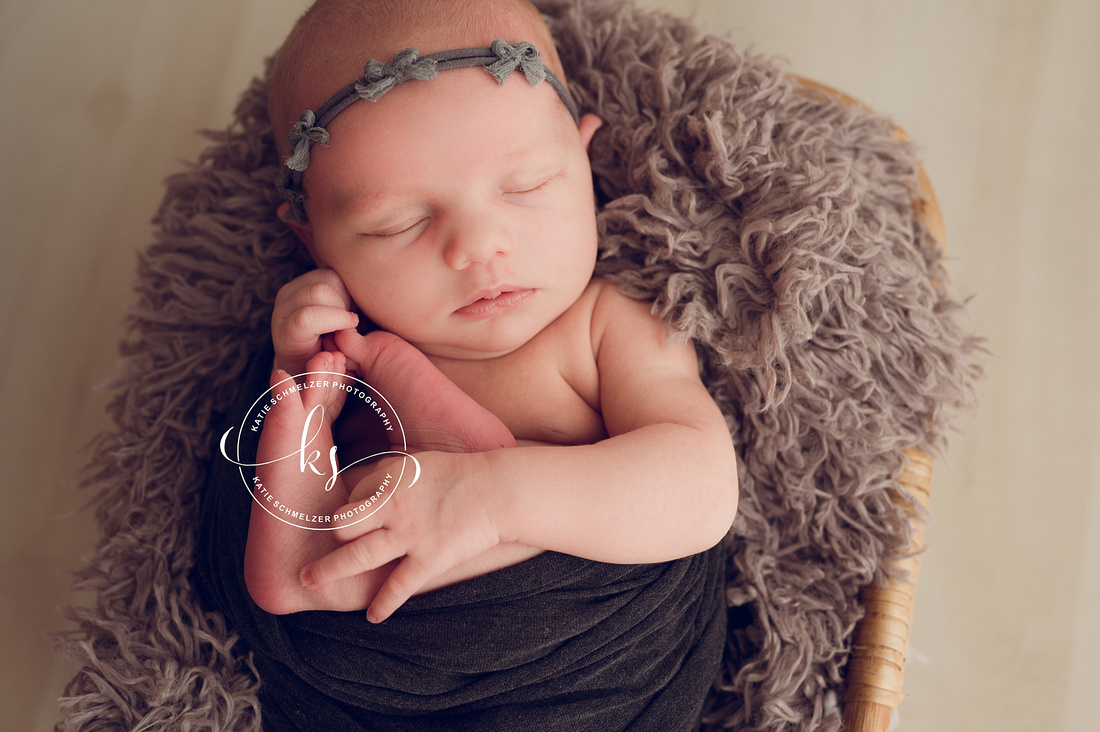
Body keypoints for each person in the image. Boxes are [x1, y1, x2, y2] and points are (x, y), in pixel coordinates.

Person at [202, 0, 740, 727]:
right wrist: (305, 374)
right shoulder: (353, 337)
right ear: (315, 240)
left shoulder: (605, 322)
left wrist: (492, 495)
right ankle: (302, 570)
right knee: (336, 483)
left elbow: (699, 488)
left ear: (582, 160)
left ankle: (323, 559)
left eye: (525, 187)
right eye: (400, 223)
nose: (478, 248)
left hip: (580, 662)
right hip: (373, 672)